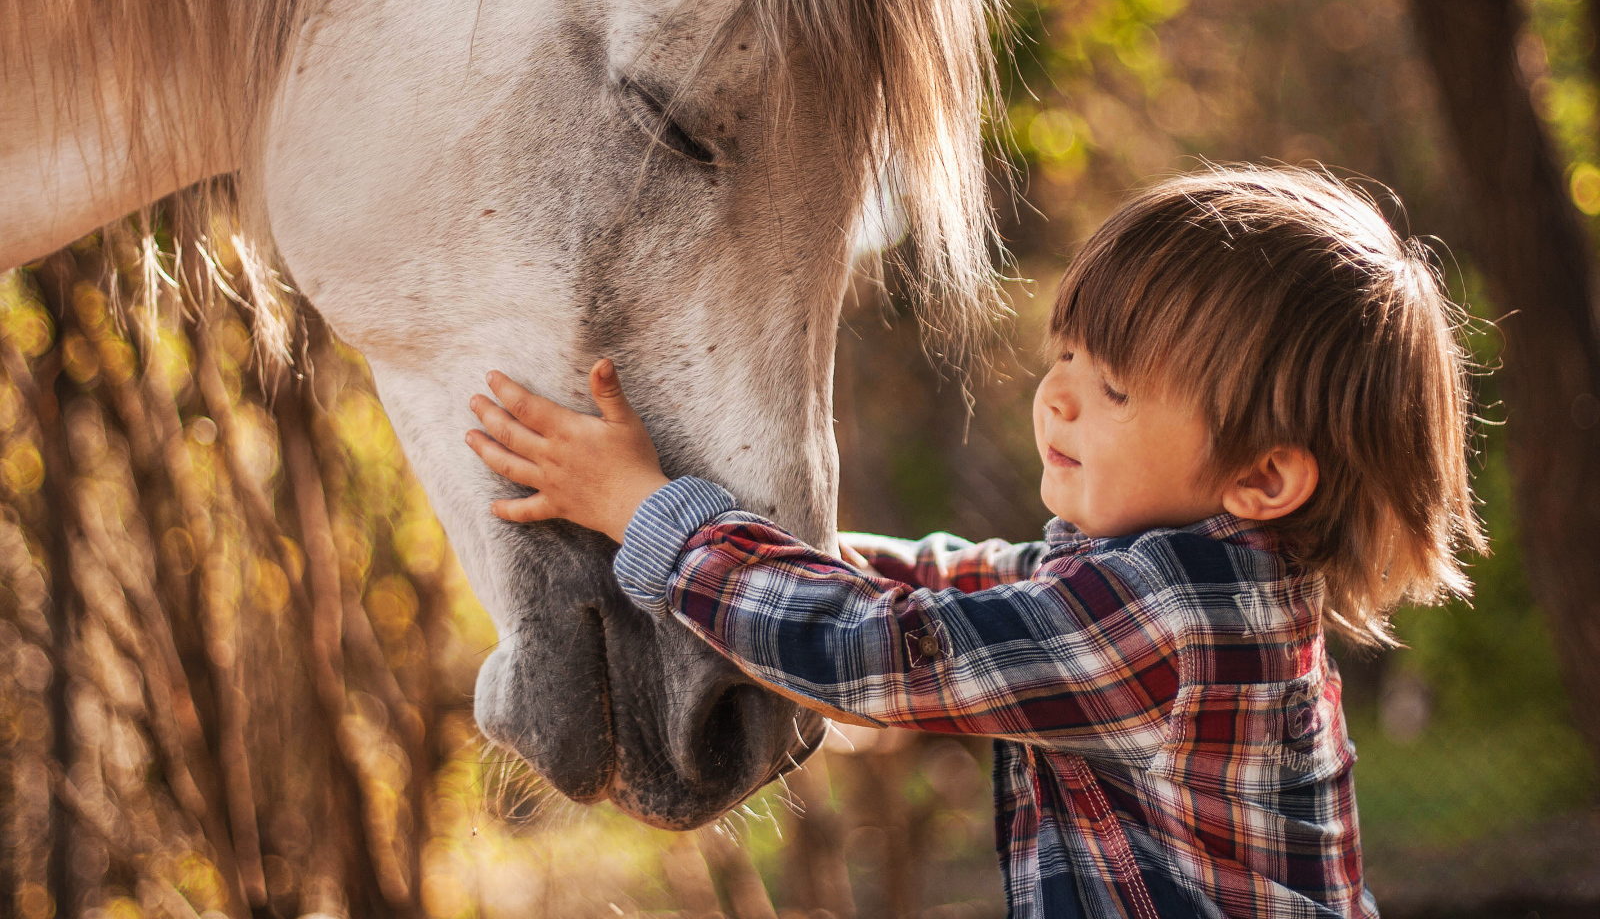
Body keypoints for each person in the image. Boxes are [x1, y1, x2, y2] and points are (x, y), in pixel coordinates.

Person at [464, 166, 1484, 918]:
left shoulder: (1164, 619)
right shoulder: (1191, 583)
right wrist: (792, 546)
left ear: (1263, 475)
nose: (1059, 396)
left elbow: (891, 649)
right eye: (1068, 353)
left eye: (1115, 388)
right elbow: (967, 588)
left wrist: (651, 518)